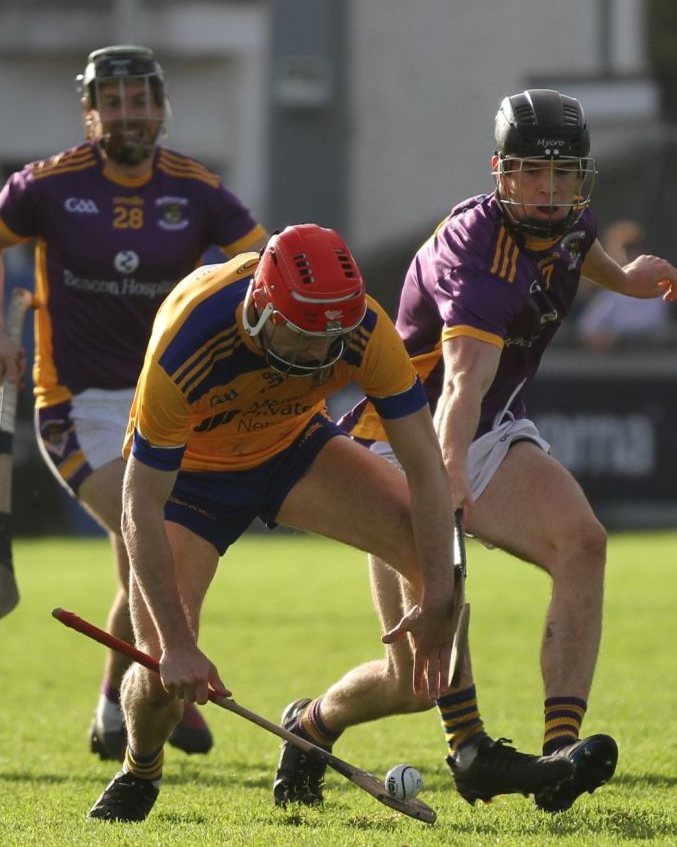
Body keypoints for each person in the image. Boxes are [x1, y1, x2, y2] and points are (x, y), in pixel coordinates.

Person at [87, 224, 573, 823]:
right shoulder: (190, 337)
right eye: (303, 336)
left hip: (294, 447)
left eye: (333, 338)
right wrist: (178, 647)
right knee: (160, 659)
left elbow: (426, 471)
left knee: (423, 667)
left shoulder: (362, 327)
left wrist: (440, 594)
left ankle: (436, 739)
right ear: (263, 309)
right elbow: (139, 505)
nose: (320, 354)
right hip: (193, 478)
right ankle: (140, 767)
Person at [314, 89, 677, 816]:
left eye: (565, 175)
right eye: (532, 174)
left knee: (583, 543)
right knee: (409, 681)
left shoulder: (572, 222)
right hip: (404, 442)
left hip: (490, 427)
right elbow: (462, 383)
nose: (550, 192)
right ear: (500, 173)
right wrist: (445, 472)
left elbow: (582, 253)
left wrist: (627, 277)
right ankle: (317, 724)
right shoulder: (476, 255)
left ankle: (556, 754)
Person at [0, 46, 267, 761]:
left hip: (165, 402)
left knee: (144, 555)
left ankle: (116, 704)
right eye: (113, 102)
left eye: (140, 100)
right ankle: (140, 694)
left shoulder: (198, 189)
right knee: (148, 536)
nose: (128, 114)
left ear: (161, 108)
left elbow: (262, 264)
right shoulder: (47, 184)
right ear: (90, 113)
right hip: (73, 405)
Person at [574, 220, 669, 350]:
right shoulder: (611, 288)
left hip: (646, 359)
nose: (627, 255)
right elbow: (588, 324)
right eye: (623, 249)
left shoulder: (655, 285)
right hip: (615, 363)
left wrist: (616, 334)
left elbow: (652, 322)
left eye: (632, 248)